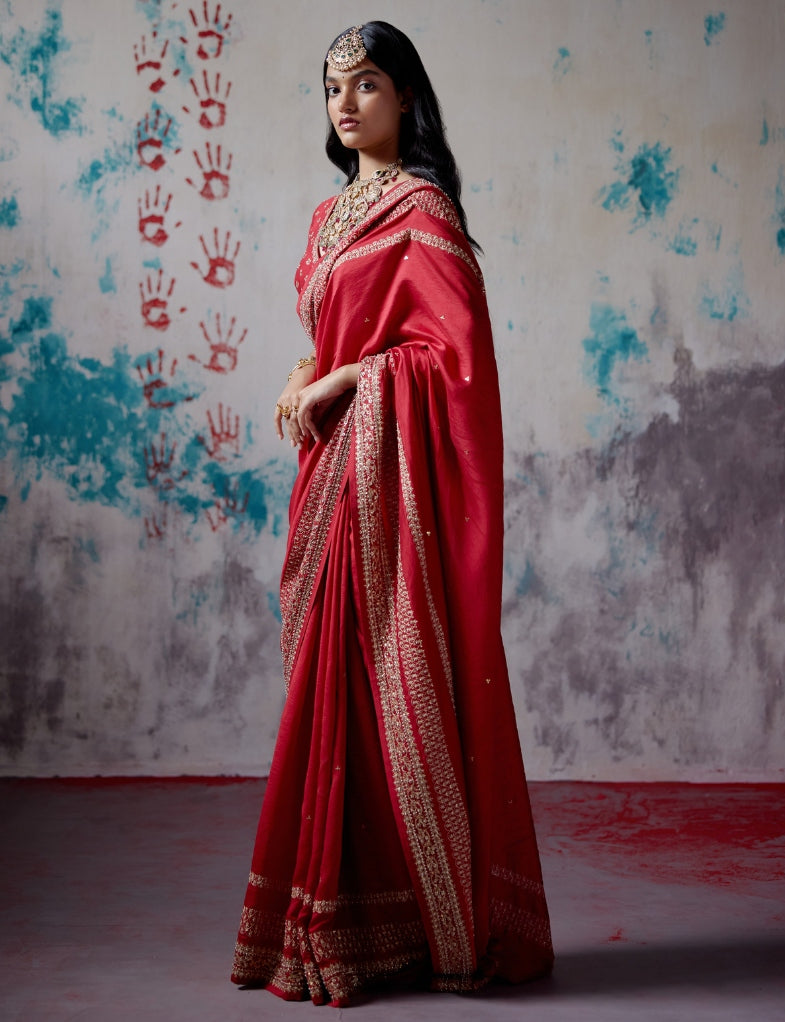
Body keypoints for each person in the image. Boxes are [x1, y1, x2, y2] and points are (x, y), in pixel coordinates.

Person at [231, 21, 554, 1007]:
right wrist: (304, 371)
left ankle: (426, 928)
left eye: (365, 84)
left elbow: (450, 365)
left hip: (392, 490)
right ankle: (336, 916)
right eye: (332, 86)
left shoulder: (422, 209)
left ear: (403, 96)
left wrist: (343, 381)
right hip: (333, 478)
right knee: (328, 691)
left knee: (389, 690)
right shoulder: (332, 216)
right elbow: (324, 331)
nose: (344, 102)